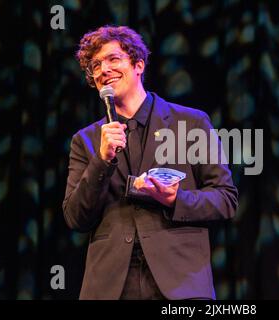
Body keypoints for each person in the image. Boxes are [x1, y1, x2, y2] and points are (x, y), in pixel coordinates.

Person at [62, 25, 238, 300]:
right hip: (110, 287)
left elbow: (225, 199)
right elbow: (75, 217)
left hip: (179, 283)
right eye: (95, 65)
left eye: (113, 59)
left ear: (139, 65)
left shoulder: (190, 123)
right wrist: (102, 160)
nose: (103, 69)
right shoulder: (86, 140)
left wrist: (174, 200)